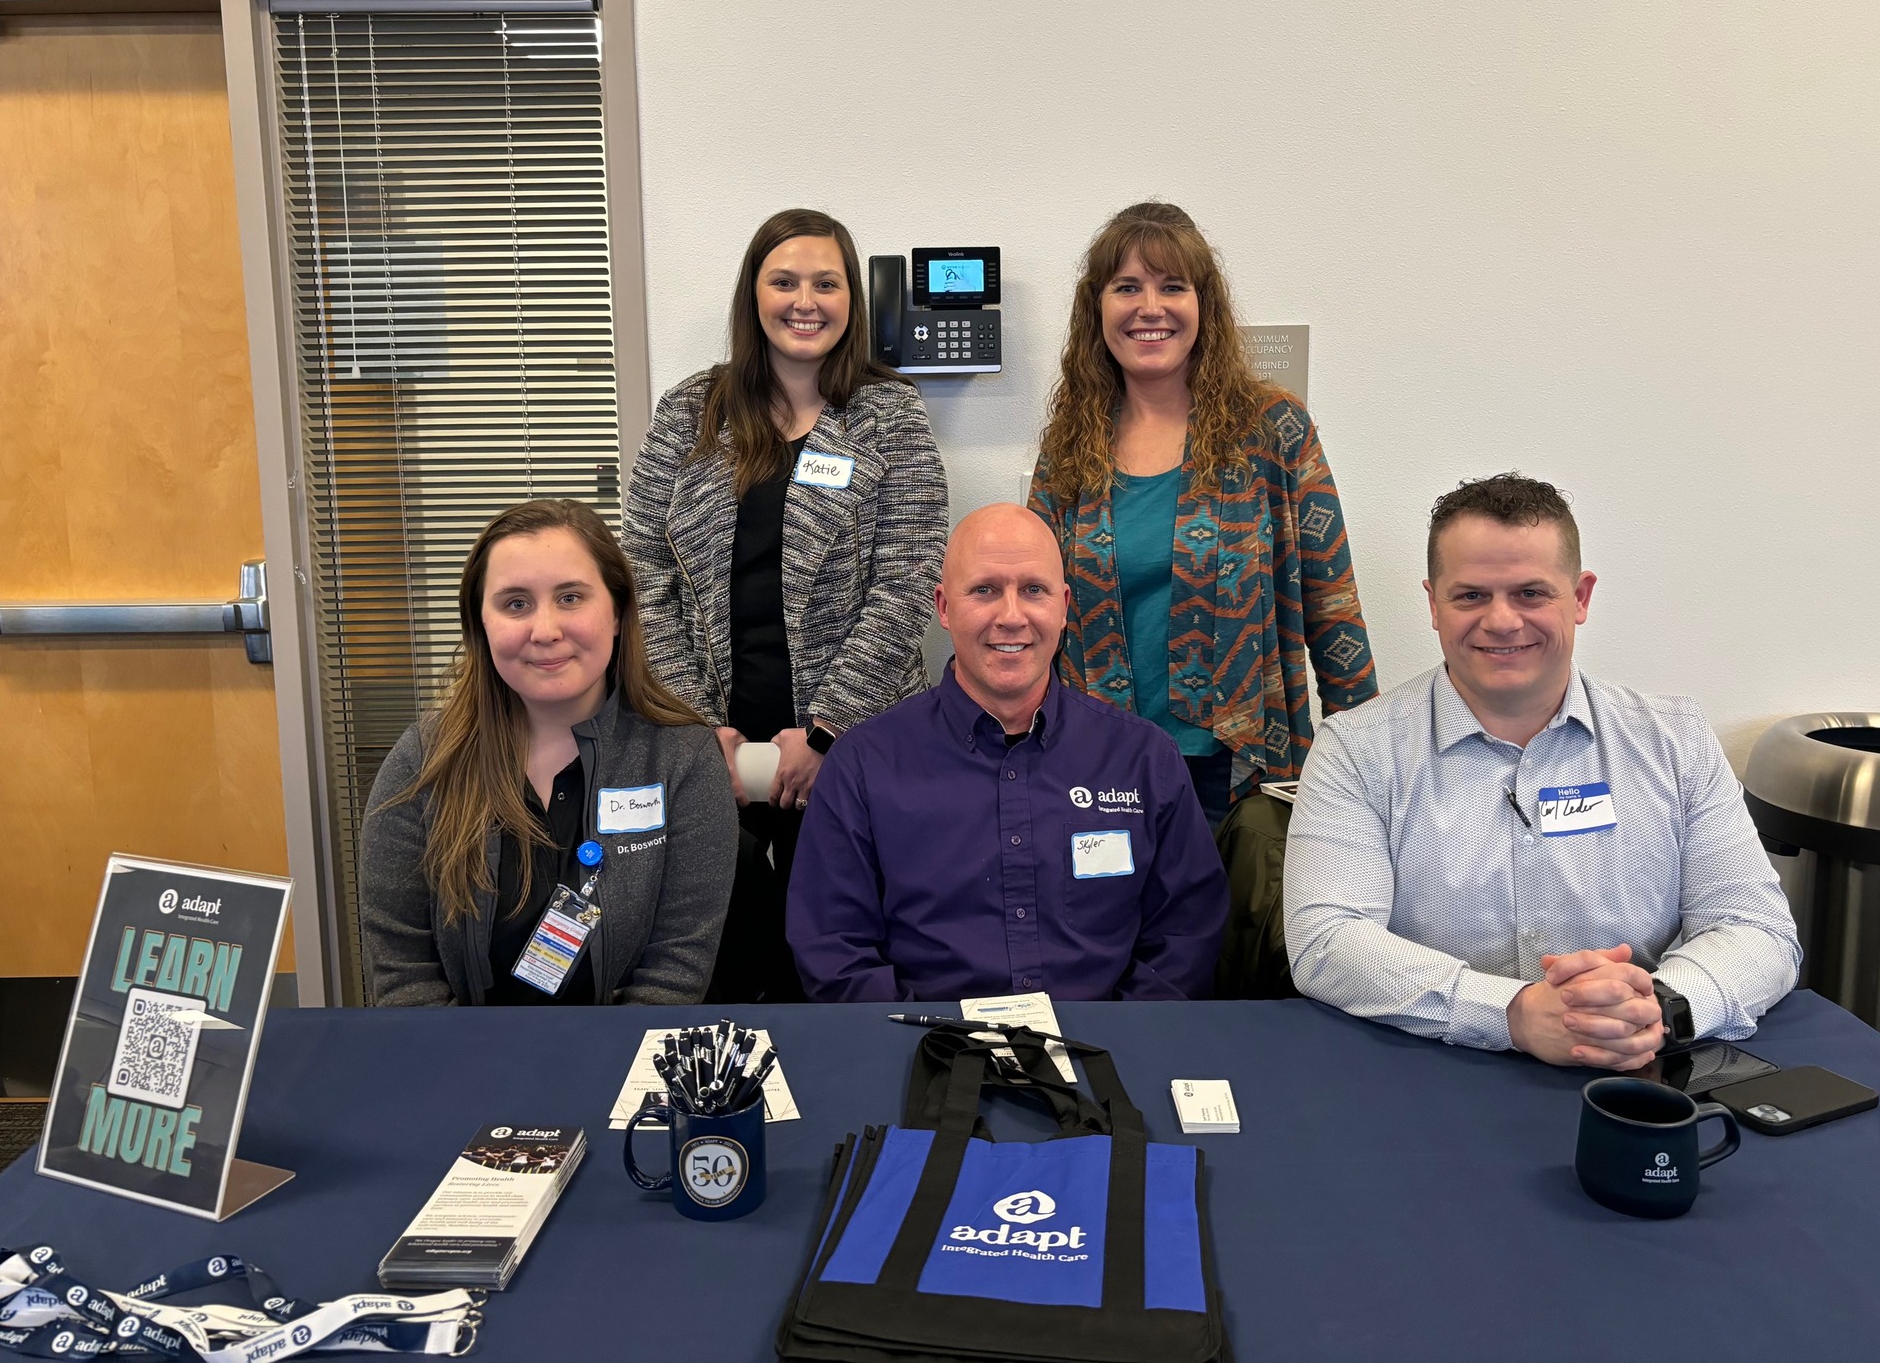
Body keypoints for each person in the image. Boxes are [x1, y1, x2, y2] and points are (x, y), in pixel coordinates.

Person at [1283, 474, 1801, 1069]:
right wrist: (1511, 1013)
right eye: (1471, 595)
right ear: (1433, 604)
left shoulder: (1675, 741)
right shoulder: (1356, 751)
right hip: (1429, 1074)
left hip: (1635, 1072)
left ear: (1580, 598)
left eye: (1531, 593)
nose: (1502, 621)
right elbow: (1327, 941)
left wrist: (1656, 1008)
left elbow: (1757, 929)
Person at [625, 209, 949, 1001]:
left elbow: (908, 576)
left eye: (826, 283)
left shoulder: (888, 414)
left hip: (857, 746)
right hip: (711, 746)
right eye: (785, 281)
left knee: (839, 966)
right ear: (754, 295)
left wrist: (826, 731)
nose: (806, 301)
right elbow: (643, 573)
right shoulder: (690, 412)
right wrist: (700, 730)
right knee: (726, 967)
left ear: (850, 300)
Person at [785, 503, 1230, 1002]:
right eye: (985, 590)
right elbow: (833, 949)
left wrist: (1122, 1042)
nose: (1012, 617)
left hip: (1107, 1058)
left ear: (1063, 607)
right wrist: (926, 1050)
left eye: (1033, 590)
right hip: (926, 1056)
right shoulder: (863, 766)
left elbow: (1186, 935)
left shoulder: (1144, 760)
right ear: (944, 608)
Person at [1029, 202, 1377, 831]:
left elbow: (1332, 603)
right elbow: (1035, 604)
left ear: (1204, 305)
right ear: (1097, 308)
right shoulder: (1069, 445)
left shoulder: (1275, 428)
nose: (1150, 307)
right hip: (1097, 763)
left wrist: (1374, 762)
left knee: (1236, 928)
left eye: (1173, 286)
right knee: (1113, 928)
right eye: (1127, 287)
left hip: (1242, 766)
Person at [361, 500, 737, 1006]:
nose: (545, 630)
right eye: (515, 604)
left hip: (624, 1064)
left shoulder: (683, 760)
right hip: (460, 1064)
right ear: (481, 625)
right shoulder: (423, 761)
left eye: (571, 597)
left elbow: (675, 973)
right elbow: (403, 976)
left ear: (620, 612)